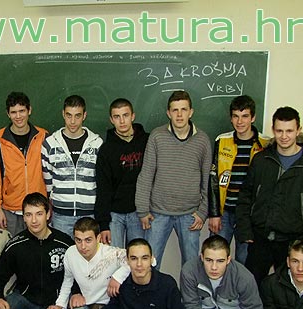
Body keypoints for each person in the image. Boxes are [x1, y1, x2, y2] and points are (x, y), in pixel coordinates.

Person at [236, 106, 303, 286]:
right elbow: (245, 197)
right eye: (279, 131)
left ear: (298, 130)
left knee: (288, 290)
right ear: (273, 130)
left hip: (293, 242)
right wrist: (245, 230)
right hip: (260, 239)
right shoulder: (261, 160)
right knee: (251, 287)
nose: (284, 136)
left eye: (289, 131)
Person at [135, 90, 212, 269]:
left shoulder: (202, 140)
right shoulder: (157, 136)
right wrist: (142, 210)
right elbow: (146, 173)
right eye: (175, 110)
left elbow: (208, 180)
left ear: (191, 112)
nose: (179, 115)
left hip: (190, 214)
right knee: (149, 265)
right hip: (158, 213)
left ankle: (190, 291)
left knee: (191, 267)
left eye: (183, 109)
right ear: (168, 113)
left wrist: (203, 211)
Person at [50, 217, 130, 309]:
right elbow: (68, 280)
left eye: (88, 240)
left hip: (110, 308)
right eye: (78, 240)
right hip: (86, 305)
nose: (83, 246)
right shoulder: (70, 253)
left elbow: (151, 260)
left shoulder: (112, 253)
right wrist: (60, 304)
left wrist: (118, 277)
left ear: (98, 238)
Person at [208, 95, 269, 265]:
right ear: (231, 118)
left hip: (249, 216)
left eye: (245, 116)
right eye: (235, 116)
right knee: (216, 258)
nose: (240, 121)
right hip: (224, 212)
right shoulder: (222, 141)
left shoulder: (265, 144)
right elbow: (213, 178)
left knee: (244, 260)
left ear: (253, 117)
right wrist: (214, 213)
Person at [41, 94, 103, 237]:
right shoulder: (50, 144)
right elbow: (48, 181)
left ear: (84, 115)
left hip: (89, 215)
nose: (73, 121)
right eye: (69, 115)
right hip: (61, 216)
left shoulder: (97, 144)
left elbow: (100, 180)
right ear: (63, 114)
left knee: (88, 251)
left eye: (77, 116)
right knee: (62, 250)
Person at [0, 91, 48, 236]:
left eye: (22, 111)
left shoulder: (43, 136)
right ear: (8, 114)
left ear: (29, 110)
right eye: (13, 112)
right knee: (14, 246)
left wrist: (50, 204)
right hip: (11, 211)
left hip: (38, 208)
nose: (18, 116)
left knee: (38, 247)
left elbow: (50, 174)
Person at [94, 98, 148, 247]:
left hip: (139, 212)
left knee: (137, 256)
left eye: (125, 115)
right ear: (111, 120)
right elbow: (103, 188)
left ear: (133, 116)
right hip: (114, 215)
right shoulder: (106, 150)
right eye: (117, 117)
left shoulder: (147, 142)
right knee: (114, 257)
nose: (122, 121)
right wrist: (103, 224)